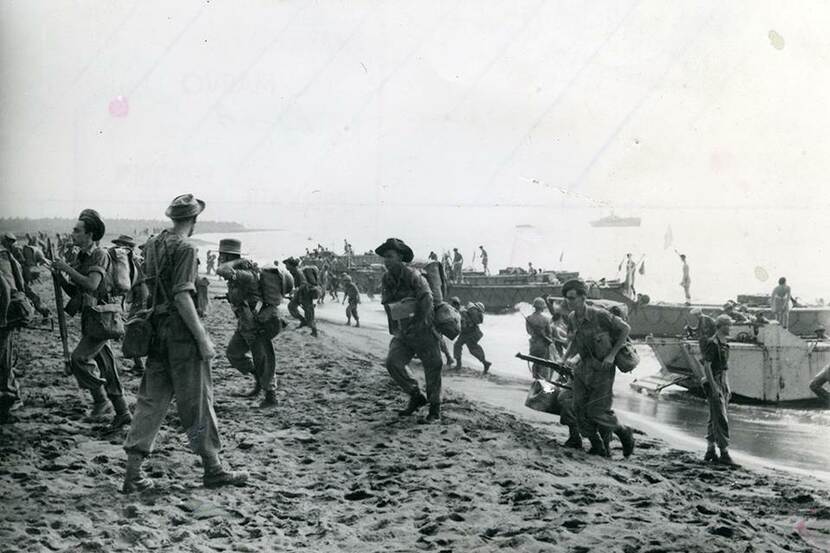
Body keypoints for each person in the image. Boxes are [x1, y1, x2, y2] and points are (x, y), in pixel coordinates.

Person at [122, 194, 248, 493]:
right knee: (198, 402)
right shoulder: (186, 248)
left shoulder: (152, 244)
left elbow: (147, 286)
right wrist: (202, 338)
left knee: (151, 400)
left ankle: (133, 474)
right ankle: (214, 469)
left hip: (156, 330)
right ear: (193, 220)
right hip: (180, 333)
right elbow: (181, 295)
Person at [49, 210, 131, 429]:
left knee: (79, 359)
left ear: (90, 234)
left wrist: (65, 268)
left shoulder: (100, 255)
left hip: (103, 318)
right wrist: (60, 279)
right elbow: (77, 292)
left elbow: (92, 285)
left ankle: (101, 400)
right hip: (92, 318)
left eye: (77, 231)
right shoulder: (82, 257)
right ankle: (122, 412)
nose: (72, 234)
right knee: (106, 366)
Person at [561, 279, 635, 458]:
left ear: (583, 297)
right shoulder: (572, 317)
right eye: (566, 298)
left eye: (572, 298)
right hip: (583, 368)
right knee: (578, 408)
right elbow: (575, 341)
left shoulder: (599, 315)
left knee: (597, 411)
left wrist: (611, 355)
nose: (569, 302)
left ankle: (624, 432)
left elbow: (625, 329)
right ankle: (597, 445)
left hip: (603, 370)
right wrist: (565, 357)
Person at [377, 238, 444, 422]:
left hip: (424, 329)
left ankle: (435, 409)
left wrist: (420, 323)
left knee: (433, 367)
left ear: (400, 257)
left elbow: (427, 299)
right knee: (393, 362)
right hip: (404, 331)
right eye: (385, 258)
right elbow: (387, 304)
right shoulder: (387, 278)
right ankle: (416, 395)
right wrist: (398, 327)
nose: (386, 261)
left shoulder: (414, 275)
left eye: (390, 256)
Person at [216, 239, 279, 408]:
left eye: (222, 255)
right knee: (233, 354)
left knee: (263, 359)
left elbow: (221, 270)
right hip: (245, 325)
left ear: (229, 256)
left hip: (257, 326)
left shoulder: (245, 274)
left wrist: (237, 260)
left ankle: (271, 396)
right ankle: (259, 380)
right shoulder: (239, 273)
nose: (220, 258)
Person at [701, 315, 737, 466]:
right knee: (720, 417)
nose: (730, 328)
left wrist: (726, 386)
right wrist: (714, 386)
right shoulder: (713, 343)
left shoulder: (723, 343)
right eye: (728, 325)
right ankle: (724, 453)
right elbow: (707, 366)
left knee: (714, 417)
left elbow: (724, 367)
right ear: (721, 326)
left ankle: (710, 450)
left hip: (722, 379)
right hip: (714, 380)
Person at [0, 238, 28, 423]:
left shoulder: (4, 256)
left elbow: (4, 287)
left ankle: (9, 400)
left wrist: (2, 318)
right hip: (9, 311)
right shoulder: (6, 254)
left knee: (3, 359)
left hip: (4, 312)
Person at [113, 235, 148, 376]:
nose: (118, 248)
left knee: (134, 329)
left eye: (121, 245)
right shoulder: (129, 260)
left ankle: (140, 366)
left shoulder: (134, 261)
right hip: (138, 296)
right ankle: (139, 364)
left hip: (141, 296)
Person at [1, 232, 50, 319]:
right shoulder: (9, 248)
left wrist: (20, 277)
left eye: (4, 241)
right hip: (16, 274)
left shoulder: (16, 248)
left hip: (21, 273)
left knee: (28, 293)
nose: (2, 242)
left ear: (9, 241)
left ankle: (44, 311)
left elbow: (20, 263)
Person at [283, 257, 318, 337]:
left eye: (287, 264)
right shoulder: (293, 272)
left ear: (292, 265)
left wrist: (296, 290)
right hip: (299, 294)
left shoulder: (298, 272)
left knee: (309, 313)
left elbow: (304, 284)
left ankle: (314, 331)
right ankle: (303, 321)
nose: (286, 266)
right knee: (291, 307)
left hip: (305, 295)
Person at [454, 301, 492, 374]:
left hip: (469, 332)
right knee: (469, 348)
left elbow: (470, 321)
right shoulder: (470, 310)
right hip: (469, 332)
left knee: (462, 346)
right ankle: (485, 363)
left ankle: (459, 365)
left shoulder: (470, 309)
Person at [525, 297, 552, 380]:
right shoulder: (546, 319)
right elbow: (549, 332)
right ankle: (541, 380)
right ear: (542, 307)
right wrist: (544, 336)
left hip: (533, 344)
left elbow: (529, 332)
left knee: (535, 362)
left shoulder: (529, 318)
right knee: (543, 363)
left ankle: (536, 378)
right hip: (543, 344)